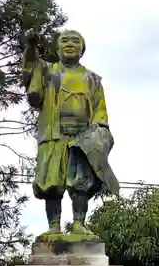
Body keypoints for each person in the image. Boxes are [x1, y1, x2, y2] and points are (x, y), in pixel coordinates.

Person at [22, 29, 119, 239]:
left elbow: (100, 110)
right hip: (53, 134)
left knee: (80, 183)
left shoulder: (92, 79)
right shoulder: (47, 71)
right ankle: (54, 225)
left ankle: (79, 223)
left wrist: (97, 134)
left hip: (82, 138)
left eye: (75, 41)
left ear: (82, 49)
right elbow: (32, 81)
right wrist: (31, 47)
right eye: (64, 40)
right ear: (57, 48)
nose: (69, 44)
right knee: (51, 182)